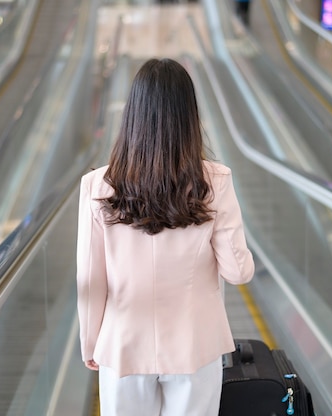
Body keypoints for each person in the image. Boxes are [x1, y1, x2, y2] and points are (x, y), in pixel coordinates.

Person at [76, 58, 255, 416]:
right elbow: (238, 272)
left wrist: (90, 343)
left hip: (123, 344)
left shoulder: (97, 186)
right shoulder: (214, 181)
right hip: (195, 345)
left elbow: (91, 279)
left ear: (133, 116)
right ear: (189, 118)